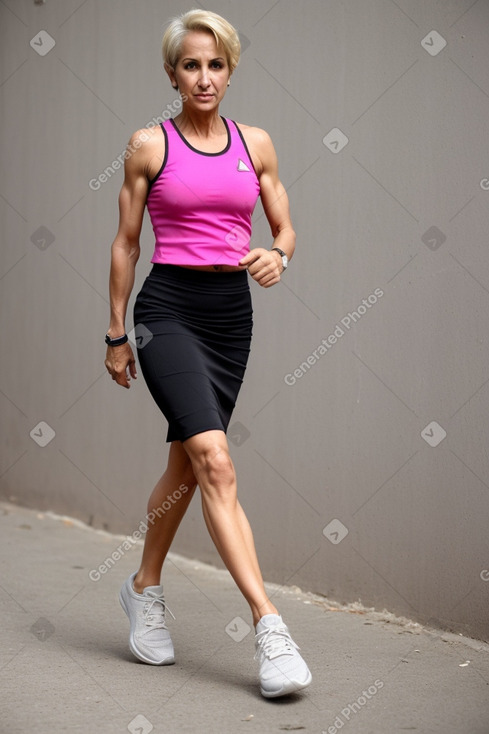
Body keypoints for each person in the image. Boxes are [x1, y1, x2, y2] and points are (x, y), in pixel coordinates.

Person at [104, 8, 311, 699]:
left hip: (230, 319)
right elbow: (127, 244)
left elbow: (283, 226)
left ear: (230, 69)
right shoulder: (147, 146)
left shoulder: (255, 144)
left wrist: (276, 254)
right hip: (167, 313)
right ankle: (269, 625)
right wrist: (114, 334)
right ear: (172, 73)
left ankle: (143, 589)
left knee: (189, 466)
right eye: (190, 64)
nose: (203, 76)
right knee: (215, 460)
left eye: (215, 64)